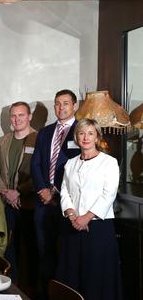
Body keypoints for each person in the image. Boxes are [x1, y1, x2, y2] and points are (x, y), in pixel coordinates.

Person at [57, 119, 122, 300]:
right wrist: (72, 215)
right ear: (76, 137)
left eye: (90, 133)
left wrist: (86, 217)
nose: (86, 137)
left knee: (97, 275)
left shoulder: (109, 162)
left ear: (97, 138)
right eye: (82, 133)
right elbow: (65, 193)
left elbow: (108, 194)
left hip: (99, 227)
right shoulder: (70, 163)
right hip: (73, 226)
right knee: (72, 273)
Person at [31, 89, 80, 297]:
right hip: (43, 202)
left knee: (66, 254)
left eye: (66, 103)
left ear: (75, 106)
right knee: (44, 252)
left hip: (67, 203)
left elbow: (79, 167)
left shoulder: (83, 130)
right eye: (58, 103)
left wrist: (56, 191)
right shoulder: (45, 132)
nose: (61, 107)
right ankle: (44, 295)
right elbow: (36, 163)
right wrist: (43, 189)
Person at [0, 101, 38, 281]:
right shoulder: (2, 141)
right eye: (13, 115)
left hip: (27, 203)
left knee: (27, 249)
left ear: (29, 117)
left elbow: (40, 172)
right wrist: (5, 192)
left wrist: (18, 192)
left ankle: (26, 288)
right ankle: (9, 283)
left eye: (21, 115)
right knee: (7, 248)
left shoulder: (39, 138)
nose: (16, 119)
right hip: (5, 203)